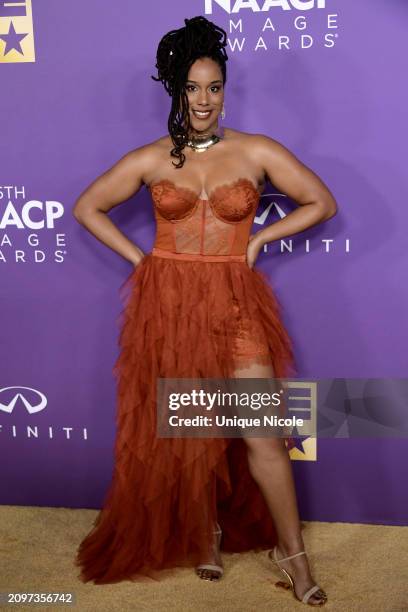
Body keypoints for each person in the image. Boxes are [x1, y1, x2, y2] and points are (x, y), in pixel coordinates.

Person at [73, 15, 337, 606]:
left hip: (235, 300)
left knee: (263, 433)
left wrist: (261, 240)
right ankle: (204, 534)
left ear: (225, 91)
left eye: (213, 87)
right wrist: (141, 260)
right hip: (166, 304)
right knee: (192, 431)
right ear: (177, 91)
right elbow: (87, 206)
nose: (203, 99)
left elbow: (321, 201)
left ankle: (292, 555)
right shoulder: (150, 159)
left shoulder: (257, 150)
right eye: (193, 88)